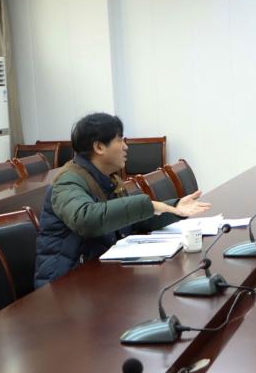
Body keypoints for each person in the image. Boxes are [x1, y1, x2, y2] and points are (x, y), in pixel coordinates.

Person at [35, 113, 210, 288]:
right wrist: (149, 205)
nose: (126, 147)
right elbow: (86, 219)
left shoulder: (108, 179)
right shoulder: (67, 182)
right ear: (99, 147)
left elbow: (132, 220)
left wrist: (173, 207)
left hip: (98, 277)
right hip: (62, 287)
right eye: (120, 140)